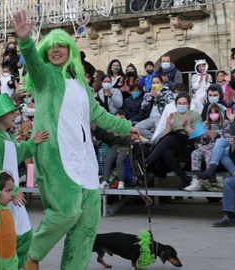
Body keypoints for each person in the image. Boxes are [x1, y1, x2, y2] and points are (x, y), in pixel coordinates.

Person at [13, 10, 138, 270]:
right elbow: (33, 64)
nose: (56, 50)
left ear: (70, 50)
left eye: (62, 46)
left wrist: (128, 127)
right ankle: (31, 255)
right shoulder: (46, 76)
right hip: (57, 156)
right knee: (66, 212)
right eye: (51, 47)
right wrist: (26, 42)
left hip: (85, 160)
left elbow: (100, 115)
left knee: (87, 223)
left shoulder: (80, 84)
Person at [0, 94, 48, 268]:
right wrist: (11, 190)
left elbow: (17, 153)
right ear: (0, 117)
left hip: (12, 198)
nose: (15, 114)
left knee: (24, 236)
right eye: (10, 113)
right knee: (5, 243)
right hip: (2, 201)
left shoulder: (6, 137)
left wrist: (32, 142)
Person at [146, 93, 202, 188]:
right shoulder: (173, 115)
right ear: (176, 105)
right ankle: (184, 178)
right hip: (174, 143)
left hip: (188, 143)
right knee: (167, 153)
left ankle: (148, 161)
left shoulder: (195, 115)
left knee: (171, 138)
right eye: (179, 103)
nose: (182, 105)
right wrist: (169, 125)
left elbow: (199, 136)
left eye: (184, 103)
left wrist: (186, 126)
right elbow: (164, 135)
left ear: (188, 104)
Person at [185, 104, 231, 191]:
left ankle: (211, 176)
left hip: (218, 149)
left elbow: (228, 139)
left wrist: (217, 135)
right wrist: (205, 137)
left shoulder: (226, 123)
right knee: (195, 153)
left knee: (209, 152)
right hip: (205, 147)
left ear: (220, 113)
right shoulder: (205, 123)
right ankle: (196, 178)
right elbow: (202, 141)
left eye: (216, 112)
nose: (213, 114)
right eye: (211, 112)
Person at [97, 110, 132, 190]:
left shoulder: (129, 126)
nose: (119, 120)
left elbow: (127, 140)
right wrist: (113, 133)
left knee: (119, 161)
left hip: (125, 147)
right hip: (114, 147)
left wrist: (121, 133)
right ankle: (105, 181)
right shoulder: (113, 127)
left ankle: (121, 181)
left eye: (122, 118)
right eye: (117, 118)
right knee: (108, 161)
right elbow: (110, 139)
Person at [135, 75, 174, 140]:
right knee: (137, 127)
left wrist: (160, 97)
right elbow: (143, 107)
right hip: (150, 117)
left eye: (157, 82)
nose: (155, 84)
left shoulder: (167, 93)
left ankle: (154, 141)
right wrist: (151, 96)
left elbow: (171, 105)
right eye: (153, 83)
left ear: (162, 83)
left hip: (161, 117)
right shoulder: (148, 94)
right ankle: (154, 139)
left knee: (158, 128)